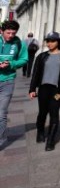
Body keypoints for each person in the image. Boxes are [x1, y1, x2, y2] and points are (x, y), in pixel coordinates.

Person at [28, 31, 60, 151]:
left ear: (58, 42)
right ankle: (40, 132)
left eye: (52, 41)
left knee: (54, 114)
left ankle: (51, 141)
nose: (49, 43)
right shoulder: (41, 56)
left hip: (57, 90)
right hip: (43, 88)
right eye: (48, 41)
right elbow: (36, 74)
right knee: (42, 113)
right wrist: (32, 89)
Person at [0, 20, 26, 149]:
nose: (10, 35)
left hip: (8, 81)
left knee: (1, 113)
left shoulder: (19, 43)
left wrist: (11, 64)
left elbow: (24, 59)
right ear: (1, 31)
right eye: (8, 33)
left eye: (13, 33)